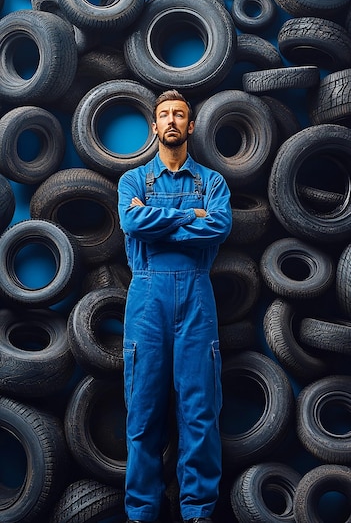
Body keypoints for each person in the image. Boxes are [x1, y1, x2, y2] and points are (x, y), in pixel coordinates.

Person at [117, 89, 232, 523]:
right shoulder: (133, 182)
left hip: (197, 304)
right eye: (164, 115)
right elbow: (132, 221)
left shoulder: (213, 183)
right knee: (144, 416)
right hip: (147, 302)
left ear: (191, 125)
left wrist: (159, 221)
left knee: (200, 416)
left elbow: (218, 226)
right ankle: (142, 514)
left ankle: (198, 514)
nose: (171, 121)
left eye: (179, 115)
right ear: (154, 126)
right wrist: (191, 217)